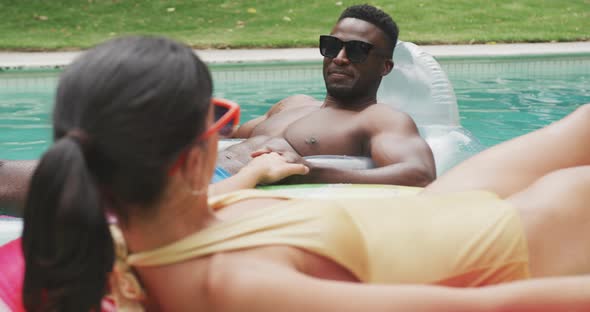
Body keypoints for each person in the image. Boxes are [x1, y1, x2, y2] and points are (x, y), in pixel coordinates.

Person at [19, 35, 590, 312]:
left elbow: (214, 201)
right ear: (188, 159)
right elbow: (486, 309)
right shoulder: (234, 286)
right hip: (515, 237)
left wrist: (254, 176)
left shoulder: (141, 231)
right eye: (218, 118)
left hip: (441, 206)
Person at [217, 4, 436, 186]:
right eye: (332, 46)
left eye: (356, 50)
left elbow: (421, 173)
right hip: (198, 183)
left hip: (228, 201)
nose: (340, 58)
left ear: (385, 67)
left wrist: (309, 171)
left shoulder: (378, 118)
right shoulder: (292, 104)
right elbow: (228, 134)